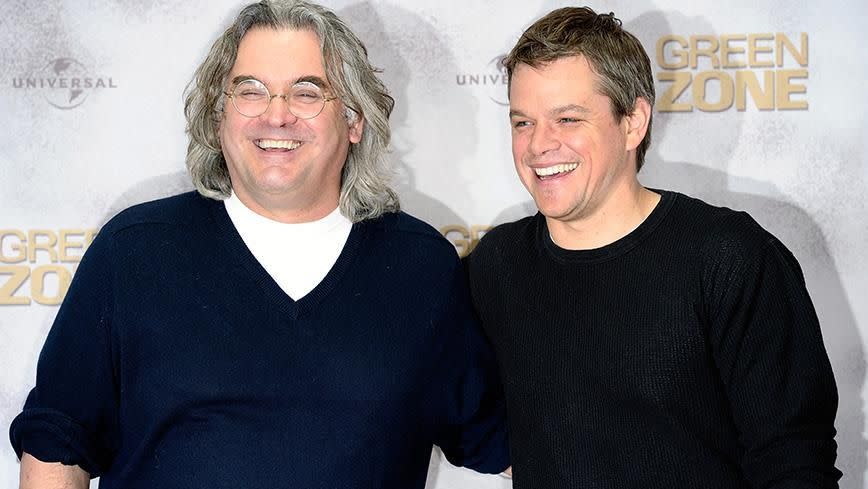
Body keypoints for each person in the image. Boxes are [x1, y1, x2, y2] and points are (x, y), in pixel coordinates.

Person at [10, 1, 508, 487]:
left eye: (307, 92)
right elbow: (57, 443)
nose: (277, 115)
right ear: (219, 112)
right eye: (250, 91)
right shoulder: (132, 253)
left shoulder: (420, 267)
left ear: (355, 120)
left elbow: (502, 439)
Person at [466, 6, 840, 488]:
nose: (539, 144)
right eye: (522, 123)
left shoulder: (730, 260)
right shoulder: (497, 263)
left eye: (567, 118)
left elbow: (794, 461)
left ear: (633, 122)